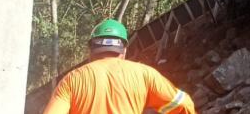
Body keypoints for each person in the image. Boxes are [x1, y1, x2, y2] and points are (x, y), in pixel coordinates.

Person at [43, 19, 196, 114]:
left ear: (91, 50)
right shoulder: (144, 74)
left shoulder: (72, 80)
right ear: (124, 50)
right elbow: (183, 104)